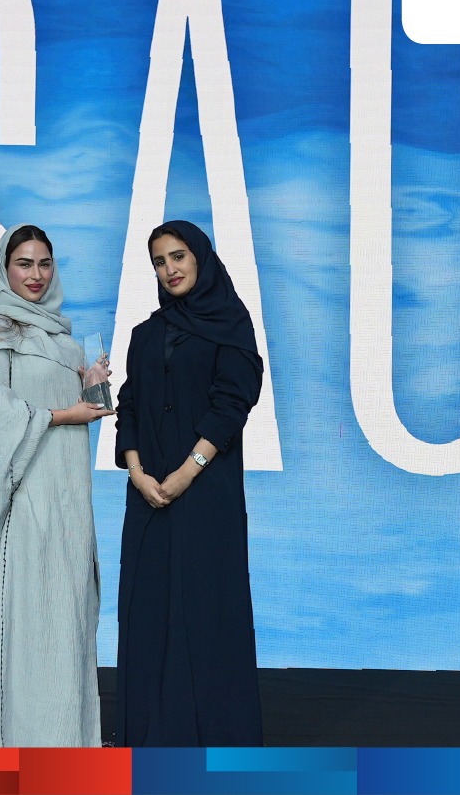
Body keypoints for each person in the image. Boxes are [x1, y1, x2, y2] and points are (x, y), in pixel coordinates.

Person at [0, 223, 113, 747]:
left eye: (45, 263)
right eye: (24, 264)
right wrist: (62, 413)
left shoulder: (64, 341)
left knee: (65, 618)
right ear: (5, 269)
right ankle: (23, 744)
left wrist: (87, 382)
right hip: (23, 502)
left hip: (68, 502)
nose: (36, 275)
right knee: (27, 619)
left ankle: (67, 744)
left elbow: (81, 408)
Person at [113, 220, 265, 746]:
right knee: (149, 611)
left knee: (206, 608)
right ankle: (150, 739)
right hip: (148, 494)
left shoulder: (232, 323)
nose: (169, 269)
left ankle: (219, 743)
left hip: (206, 492)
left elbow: (232, 404)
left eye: (178, 256)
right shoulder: (145, 334)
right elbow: (129, 406)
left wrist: (185, 472)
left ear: (200, 257)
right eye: (159, 261)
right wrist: (137, 472)